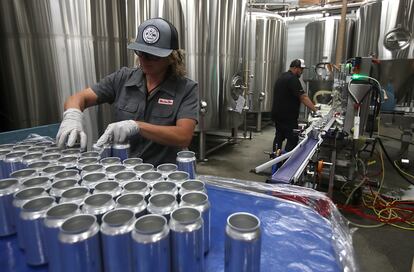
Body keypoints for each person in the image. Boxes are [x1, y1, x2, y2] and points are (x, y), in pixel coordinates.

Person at [56, 18, 199, 166]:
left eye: (153, 55)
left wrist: (137, 126)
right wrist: (72, 115)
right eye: (141, 52)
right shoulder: (122, 78)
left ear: (172, 57)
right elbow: (79, 98)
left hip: (164, 174)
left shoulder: (186, 88)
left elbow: (183, 136)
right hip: (125, 171)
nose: (144, 59)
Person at [271, 59, 317, 153]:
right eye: (301, 69)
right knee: (293, 139)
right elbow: (303, 97)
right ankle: (287, 161)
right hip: (288, 117)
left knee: (279, 137)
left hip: (278, 115)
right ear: (296, 68)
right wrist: (315, 110)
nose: (302, 72)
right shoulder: (293, 79)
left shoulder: (282, 77)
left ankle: (275, 158)